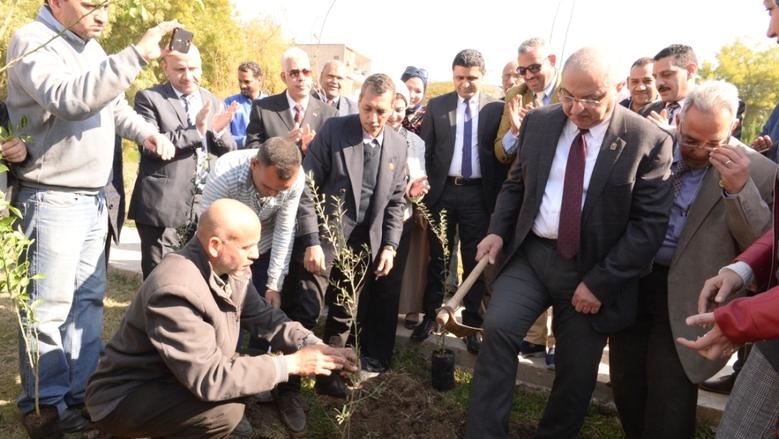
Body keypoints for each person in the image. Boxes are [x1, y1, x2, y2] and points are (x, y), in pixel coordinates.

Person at [465, 47, 674, 439]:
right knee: (498, 329)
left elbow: (648, 227)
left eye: (591, 99)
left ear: (616, 88)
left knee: (577, 369)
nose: (577, 109)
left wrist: (600, 283)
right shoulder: (541, 123)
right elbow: (516, 185)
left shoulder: (647, 140)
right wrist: (496, 230)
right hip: (532, 256)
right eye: (568, 96)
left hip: (592, 269)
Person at [3, 0, 178, 432]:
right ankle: (42, 404)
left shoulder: (92, 48)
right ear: (57, 2)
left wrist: (147, 133)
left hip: (93, 198)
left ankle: (83, 396)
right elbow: (70, 100)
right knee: (48, 310)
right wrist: (136, 54)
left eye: (106, 5)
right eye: (90, 4)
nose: (101, 15)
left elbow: (112, 106)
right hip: (51, 198)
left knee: (87, 303)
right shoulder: (33, 42)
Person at [85, 199, 356, 438]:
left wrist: (314, 345)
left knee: (248, 373)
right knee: (225, 412)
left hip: (169, 378)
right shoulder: (175, 290)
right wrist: (290, 365)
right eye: (248, 246)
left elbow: (266, 318)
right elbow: (210, 378)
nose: (256, 254)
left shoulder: (231, 270)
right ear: (215, 246)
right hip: (124, 397)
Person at [608, 80, 775, 439]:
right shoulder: (652, 144)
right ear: (680, 119)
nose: (698, 151)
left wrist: (739, 191)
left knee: (670, 393)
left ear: (732, 127)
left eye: (711, 143)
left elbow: (762, 249)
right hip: (636, 281)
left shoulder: (759, 172)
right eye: (690, 139)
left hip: (693, 293)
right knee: (626, 382)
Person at [275, 73, 407, 434]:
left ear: (393, 107)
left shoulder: (398, 145)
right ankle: (286, 386)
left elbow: (396, 201)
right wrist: (312, 240)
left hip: (364, 245)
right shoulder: (335, 131)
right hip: (323, 241)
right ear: (358, 100)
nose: (374, 118)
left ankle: (329, 375)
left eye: (381, 111)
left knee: (343, 313)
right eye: (367, 109)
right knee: (304, 309)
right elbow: (307, 188)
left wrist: (390, 246)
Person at [410, 49, 502, 355]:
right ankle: (431, 316)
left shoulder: (496, 108)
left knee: (475, 260)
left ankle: (472, 323)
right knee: (438, 257)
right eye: (460, 77)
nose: (465, 84)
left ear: (483, 76)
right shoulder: (437, 106)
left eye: (472, 78)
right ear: (453, 76)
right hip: (443, 193)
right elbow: (426, 151)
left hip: (478, 194)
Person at [128, 45, 238, 279]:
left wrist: (217, 133)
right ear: (164, 67)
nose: (188, 76)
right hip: (163, 206)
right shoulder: (150, 98)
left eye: (193, 68)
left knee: (196, 276)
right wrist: (197, 132)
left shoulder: (212, 100)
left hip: (204, 203)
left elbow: (229, 150)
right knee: (161, 276)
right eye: (180, 69)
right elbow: (152, 146)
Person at [493, 37, 562, 365]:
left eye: (534, 67)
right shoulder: (515, 97)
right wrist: (519, 133)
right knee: (530, 259)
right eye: (523, 70)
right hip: (527, 191)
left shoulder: (568, 93)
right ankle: (533, 339)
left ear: (550, 59)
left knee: (563, 266)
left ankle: (557, 342)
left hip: (564, 190)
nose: (529, 75)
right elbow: (501, 152)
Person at [362, 79, 429, 372]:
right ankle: (357, 347)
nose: (397, 115)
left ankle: (380, 354)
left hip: (399, 221)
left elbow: (419, 178)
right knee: (363, 289)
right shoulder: (369, 133)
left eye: (402, 109)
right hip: (368, 224)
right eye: (394, 109)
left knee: (388, 290)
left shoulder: (415, 143)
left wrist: (416, 191)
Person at [201, 137, 303, 308]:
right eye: (268, 187)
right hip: (228, 249)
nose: (274, 195)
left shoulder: (297, 179)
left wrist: (273, 285)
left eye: (281, 191)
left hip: (265, 245)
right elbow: (208, 228)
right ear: (254, 164)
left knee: (264, 309)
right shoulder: (224, 172)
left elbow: (284, 230)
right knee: (223, 308)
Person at [244, 47, 336, 153]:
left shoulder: (329, 114)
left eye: (306, 72)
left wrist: (312, 151)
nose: (301, 78)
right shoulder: (263, 109)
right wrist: (282, 145)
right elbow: (251, 152)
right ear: (283, 77)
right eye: (294, 73)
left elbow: (333, 158)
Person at [640, 44, 698, 132]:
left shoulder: (711, 112)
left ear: (690, 71)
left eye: (666, 74)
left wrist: (670, 133)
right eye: (655, 77)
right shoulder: (646, 112)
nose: (659, 83)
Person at [225, 61, 267, 149]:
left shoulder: (270, 104)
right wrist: (245, 141)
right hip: (237, 158)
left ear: (259, 80)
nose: (242, 85)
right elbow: (223, 136)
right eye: (240, 81)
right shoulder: (229, 103)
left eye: (247, 82)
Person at [400, 65, 429, 134]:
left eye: (418, 91)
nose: (412, 95)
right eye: (408, 88)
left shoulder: (428, 117)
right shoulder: (387, 111)